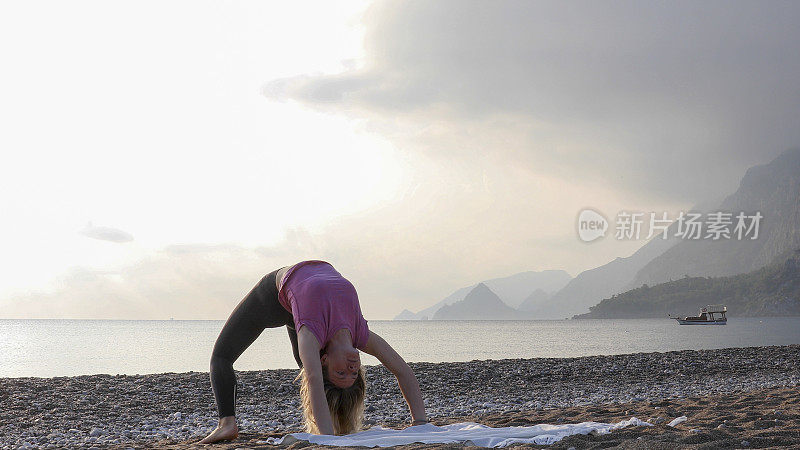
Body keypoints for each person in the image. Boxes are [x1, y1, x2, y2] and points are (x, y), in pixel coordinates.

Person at [199, 260, 427, 444]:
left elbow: (315, 378)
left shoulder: (311, 336)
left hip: (284, 296)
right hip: (282, 299)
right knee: (226, 358)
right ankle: (227, 423)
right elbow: (402, 369)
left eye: (341, 374)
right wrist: (421, 422)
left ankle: (227, 423)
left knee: (222, 356)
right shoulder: (360, 334)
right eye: (353, 375)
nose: (351, 370)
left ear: (325, 359)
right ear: (324, 358)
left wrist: (327, 440)